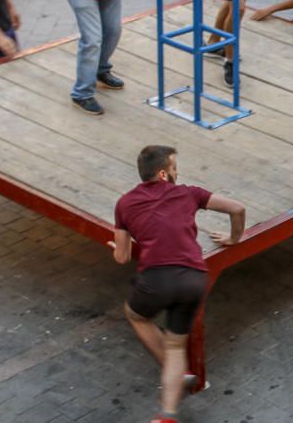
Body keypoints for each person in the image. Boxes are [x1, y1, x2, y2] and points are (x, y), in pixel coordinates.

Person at [109, 145, 245, 423]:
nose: (177, 171)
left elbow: (122, 257)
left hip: (156, 279)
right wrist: (234, 239)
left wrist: (117, 246)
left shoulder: (124, 203)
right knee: (175, 347)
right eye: (173, 166)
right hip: (194, 279)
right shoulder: (189, 193)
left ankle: (177, 376)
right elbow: (238, 208)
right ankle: (167, 414)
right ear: (163, 173)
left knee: (135, 315)